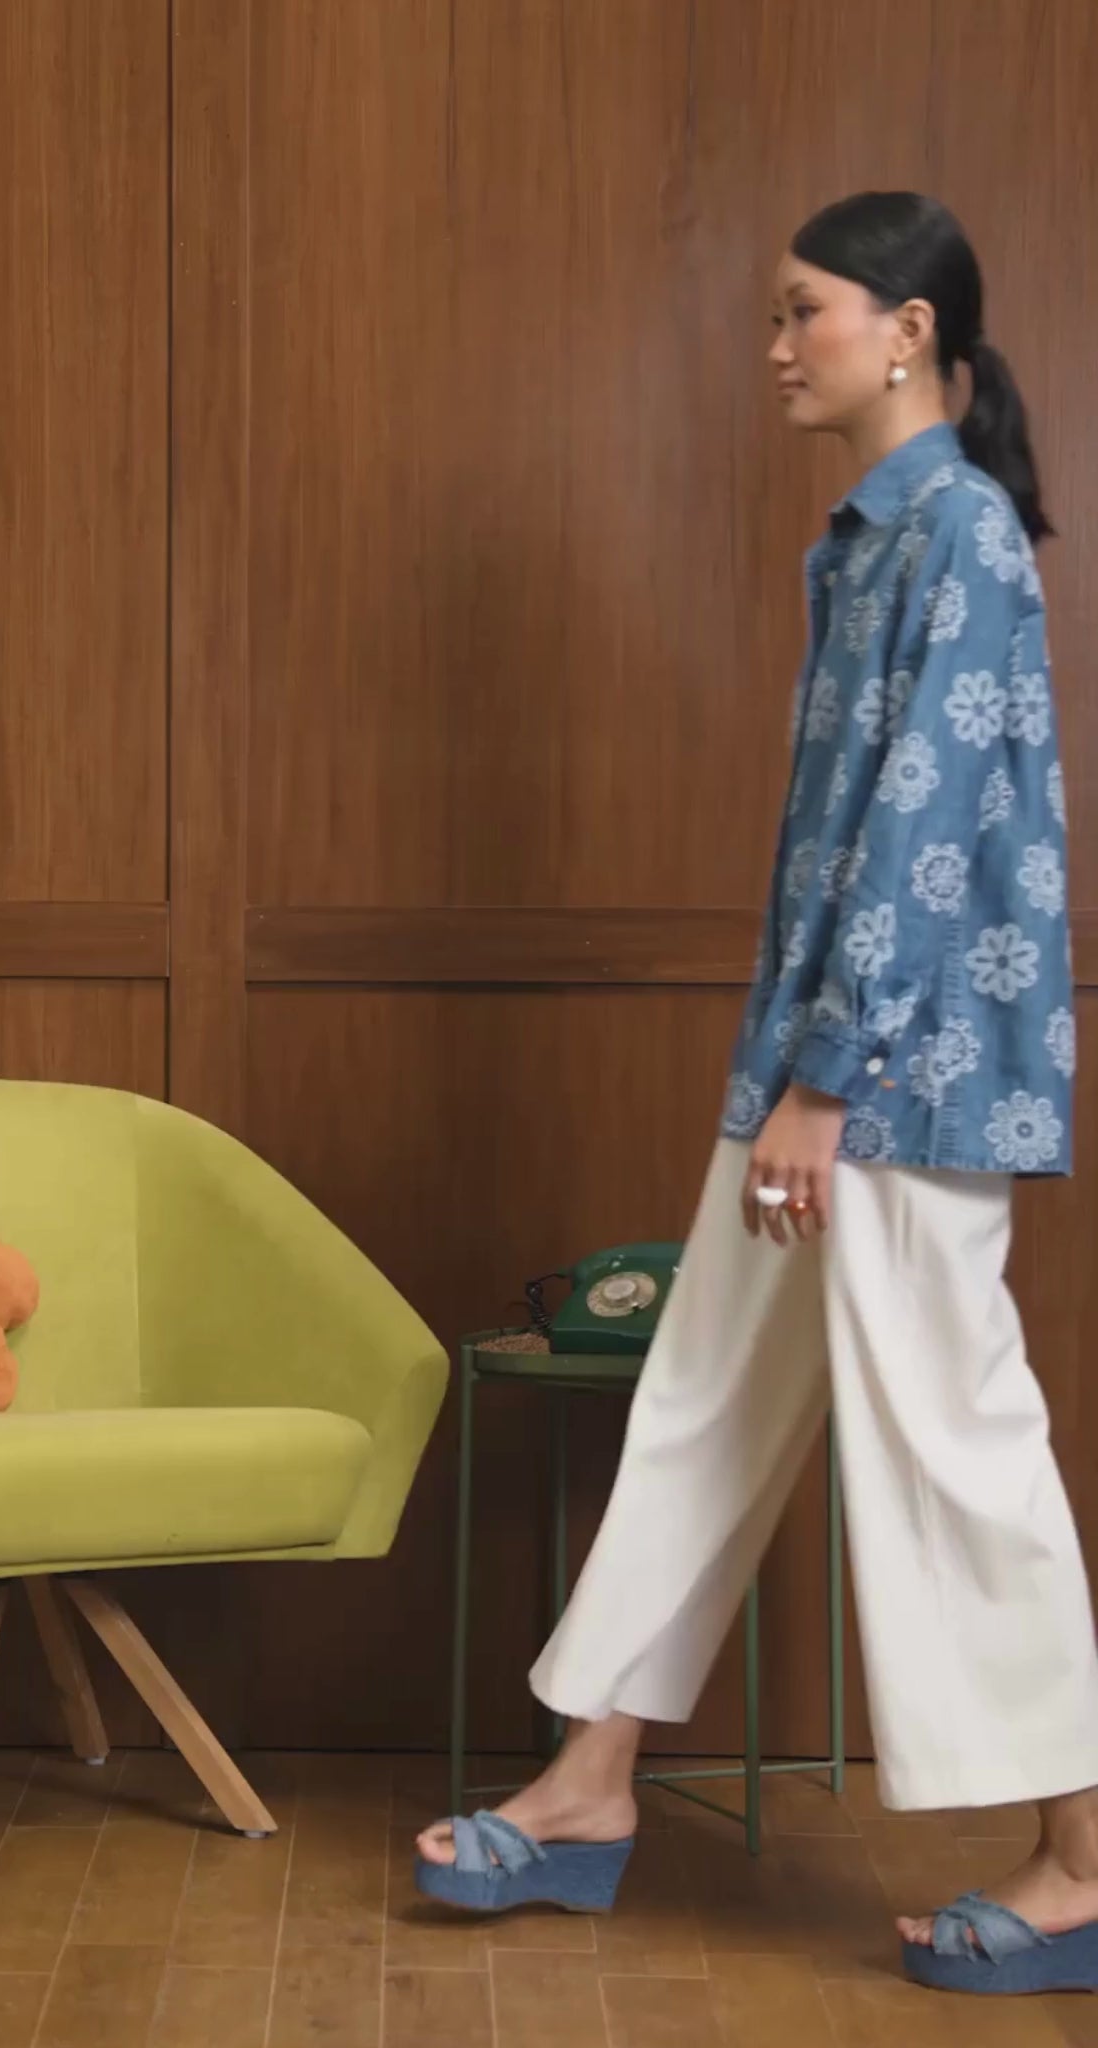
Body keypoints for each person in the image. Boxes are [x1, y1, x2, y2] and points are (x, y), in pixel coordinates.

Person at [415, 192, 1098, 1997]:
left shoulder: (959, 534)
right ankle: (590, 1789)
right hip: (814, 1071)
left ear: (912, 332)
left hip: (898, 1084)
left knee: (952, 1446)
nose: (779, 346)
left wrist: (825, 1079)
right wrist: (791, 1075)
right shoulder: (862, 544)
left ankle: (1086, 1862)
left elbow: (924, 835)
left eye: (807, 312)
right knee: (705, 1406)